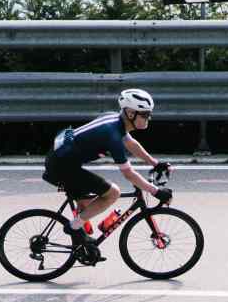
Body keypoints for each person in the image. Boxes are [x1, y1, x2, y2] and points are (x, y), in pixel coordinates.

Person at [42, 88, 173, 258]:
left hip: (61, 159)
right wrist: (155, 191)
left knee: (89, 204)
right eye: (145, 114)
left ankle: (82, 245)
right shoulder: (112, 135)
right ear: (131, 113)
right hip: (62, 166)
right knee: (113, 193)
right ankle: (74, 228)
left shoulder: (116, 121)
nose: (149, 118)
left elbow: (131, 143)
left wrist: (155, 163)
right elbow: (129, 174)